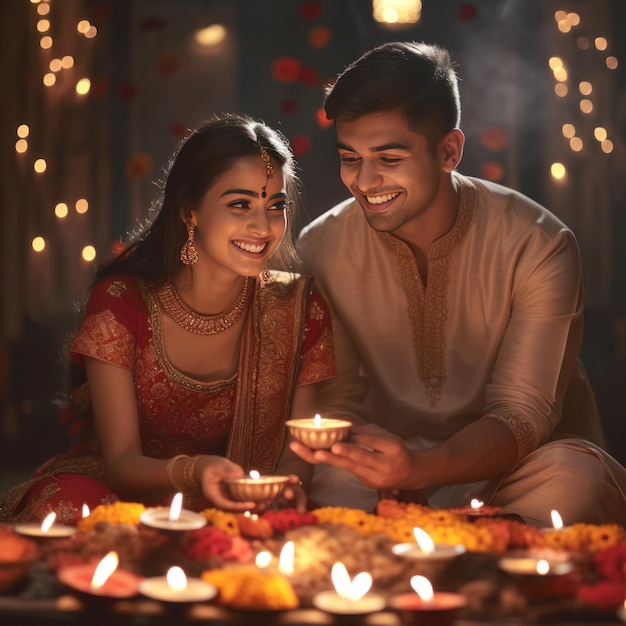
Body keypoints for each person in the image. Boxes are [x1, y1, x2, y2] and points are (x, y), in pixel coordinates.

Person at [293, 41, 626, 527]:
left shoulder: (539, 243)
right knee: (324, 484)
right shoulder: (320, 246)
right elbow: (341, 399)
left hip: (511, 472)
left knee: (577, 476)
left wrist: (423, 469)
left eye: (388, 157)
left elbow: (522, 415)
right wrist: (376, 464)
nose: (364, 181)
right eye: (351, 157)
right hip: (380, 473)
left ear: (449, 151)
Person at [0, 113, 334, 524]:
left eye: (275, 206)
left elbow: (294, 457)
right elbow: (121, 461)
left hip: (233, 495)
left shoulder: (297, 307)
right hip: (123, 489)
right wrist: (194, 472)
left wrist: (277, 496)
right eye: (240, 204)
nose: (263, 226)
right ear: (190, 211)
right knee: (73, 514)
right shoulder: (124, 301)